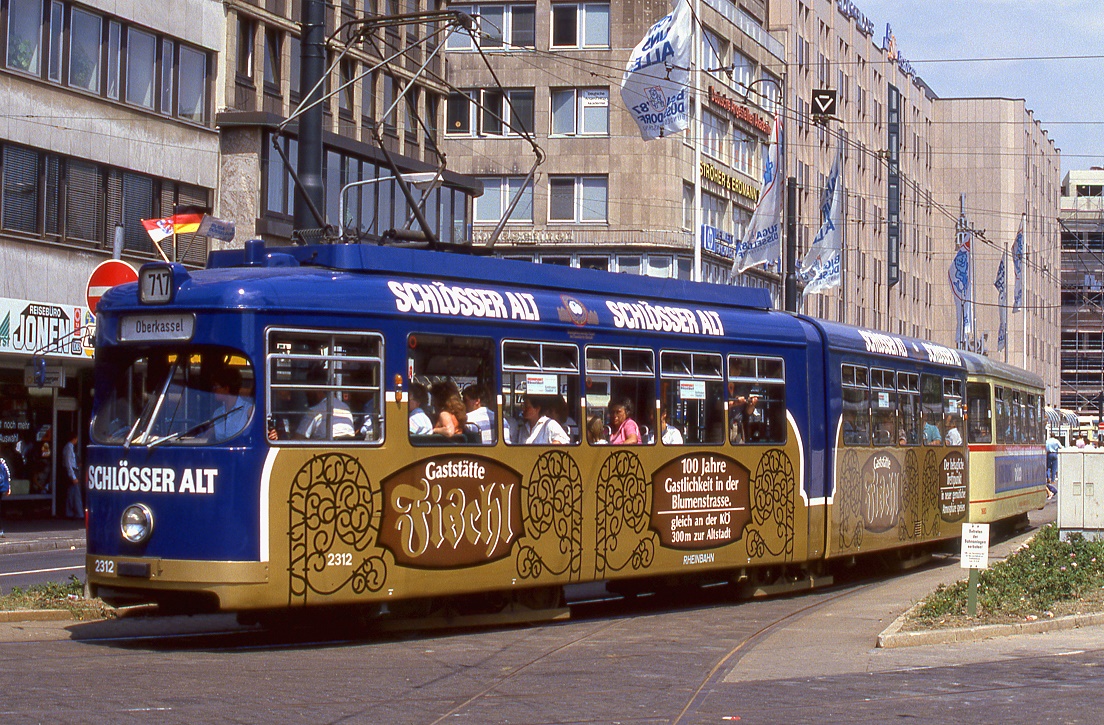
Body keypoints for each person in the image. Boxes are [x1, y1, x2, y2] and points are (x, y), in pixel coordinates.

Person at [210, 367, 253, 442]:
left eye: (216, 387)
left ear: (226, 388)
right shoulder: (217, 413)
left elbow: (262, 434)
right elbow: (206, 437)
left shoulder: (248, 410)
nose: (213, 390)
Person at [62, 433, 82, 519]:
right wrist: (73, 476)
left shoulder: (70, 447)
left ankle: (69, 512)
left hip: (73, 471)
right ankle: (79, 513)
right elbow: (69, 463)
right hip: (72, 471)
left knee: (71, 493)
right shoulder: (69, 447)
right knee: (76, 493)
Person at [1046, 433, 1061, 500]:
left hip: (1049, 454)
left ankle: (1048, 477)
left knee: (1048, 467)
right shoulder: (1056, 441)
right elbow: (1061, 446)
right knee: (1054, 468)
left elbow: (1046, 447)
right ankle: (1052, 480)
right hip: (1054, 454)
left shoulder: (1047, 441)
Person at [0, 449, 10, 538]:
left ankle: (0, 531)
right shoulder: (2, 462)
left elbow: (7, 474)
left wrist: (8, 486)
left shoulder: (2, 462)